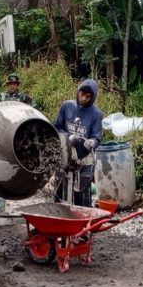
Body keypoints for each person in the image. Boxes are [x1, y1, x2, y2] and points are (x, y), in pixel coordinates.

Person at [53, 79, 103, 207]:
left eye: (88, 96)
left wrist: (92, 142)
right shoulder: (67, 106)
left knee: (82, 195)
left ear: (92, 98)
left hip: (84, 159)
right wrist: (68, 137)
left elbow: (97, 137)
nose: (84, 98)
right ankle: (59, 218)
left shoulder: (96, 114)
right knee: (60, 192)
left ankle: (84, 222)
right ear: (78, 91)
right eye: (82, 94)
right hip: (65, 155)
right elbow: (57, 127)